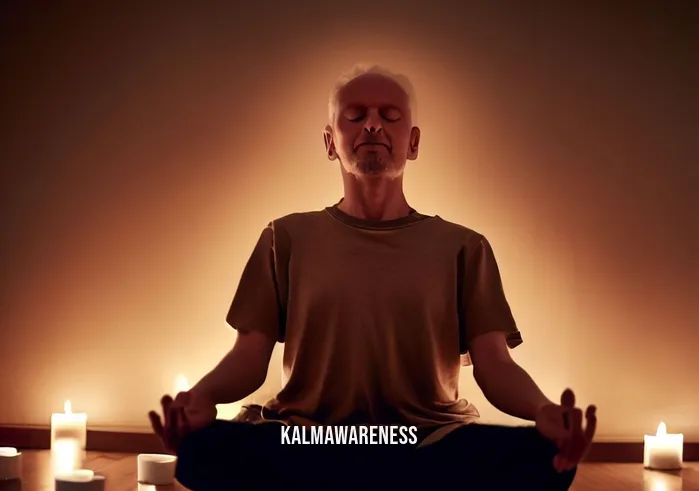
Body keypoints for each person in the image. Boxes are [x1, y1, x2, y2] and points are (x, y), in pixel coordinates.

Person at [148, 64, 597, 491]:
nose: (373, 126)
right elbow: (248, 355)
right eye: (355, 115)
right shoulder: (283, 237)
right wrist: (200, 397)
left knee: (545, 457)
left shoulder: (465, 247)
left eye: (390, 116)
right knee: (202, 449)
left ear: (413, 142)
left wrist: (543, 411)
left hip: (426, 441)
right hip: (312, 441)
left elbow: (495, 364)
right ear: (330, 141)